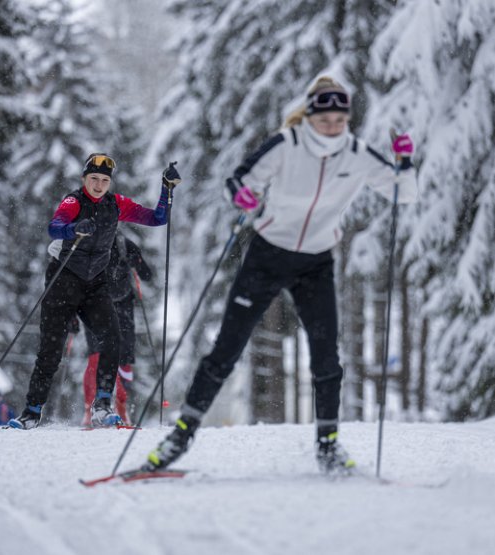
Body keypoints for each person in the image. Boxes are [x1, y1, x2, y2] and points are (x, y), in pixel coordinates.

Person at [143, 76, 417, 475]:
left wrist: (404, 162)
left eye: (340, 120)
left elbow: (402, 193)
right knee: (226, 349)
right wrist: (243, 196)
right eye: (325, 120)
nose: (333, 127)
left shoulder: (357, 154)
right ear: (310, 117)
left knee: (327, 357)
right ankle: (179, 437)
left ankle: (328, 446)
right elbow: (237, 180)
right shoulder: (287, 144)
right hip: (268, 255)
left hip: (316, 262)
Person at [7, 152, 181, 430]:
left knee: (113, 340)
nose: (99, 185)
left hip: (95, 285)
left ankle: (101, 405)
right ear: (84, 179)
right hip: (64, 280)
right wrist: (74, 228)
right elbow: (55, 227)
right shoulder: (73, 201)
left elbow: (158, 218)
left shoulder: (116, 204)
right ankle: (31, 411)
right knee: (51, 351)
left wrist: (166, 190)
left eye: (104, 180)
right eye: (94, 179)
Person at [78, 232, 153, 426]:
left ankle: (121, 405)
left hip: (122, 306)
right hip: (95, 304)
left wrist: (136, 261)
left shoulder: (123, 243)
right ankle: (90, 408)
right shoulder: (87, 242)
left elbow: (147, 275)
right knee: (96, 356)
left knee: (124, 357)